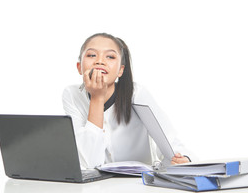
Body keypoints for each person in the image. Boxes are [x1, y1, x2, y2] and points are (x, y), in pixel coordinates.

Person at [62, 33, 195, 169]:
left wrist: (183, 158)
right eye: (91, 55)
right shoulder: (72, 94)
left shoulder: (136, 93)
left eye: (110, 56)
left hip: (138, 182)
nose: (100, 61)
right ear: (79, 67)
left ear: (120, 70)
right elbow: (90, 162)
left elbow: (169, 139)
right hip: (99, 185)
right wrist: (97, 98)